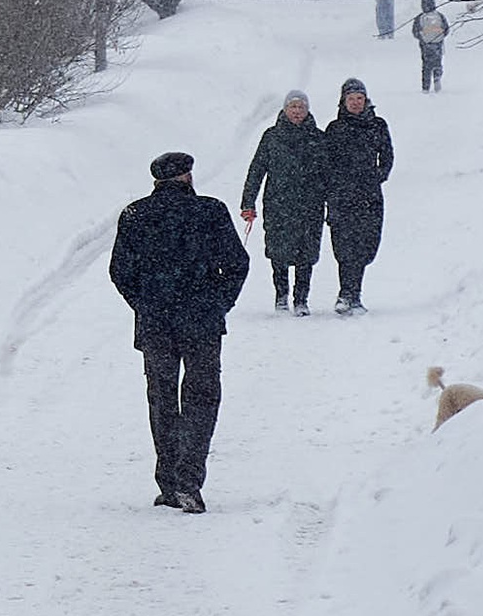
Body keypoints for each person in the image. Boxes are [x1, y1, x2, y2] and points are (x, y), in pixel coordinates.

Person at [108, 150, 251, 514]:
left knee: (162, 398)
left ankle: (168, 481)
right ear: (187, 176)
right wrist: (220, 303)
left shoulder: (135, 215)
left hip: (156, 323)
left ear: (156, 180)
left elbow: (120, 271)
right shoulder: (210, 211)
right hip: (201, 322)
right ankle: (189, 479)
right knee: (202, 398)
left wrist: (143, 302)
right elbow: (237, 264)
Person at [239, 91, 328, 316]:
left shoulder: (318, 137)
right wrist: (248, 201)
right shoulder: (271, 137)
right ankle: (281, 296)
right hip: (278, 205)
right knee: (278, 252)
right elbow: (257, 169)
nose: (297, 111)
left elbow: (328, 174)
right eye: (293, 107)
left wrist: (332, 201)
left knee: (306, 254)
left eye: (301, 107)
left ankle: (301, 299)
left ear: (307, 110)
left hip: (310, 205)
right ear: (285, 110)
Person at [324, 78, 395, 315]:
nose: (355, 103)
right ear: (343, 101)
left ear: (366, 101)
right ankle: (347, 294)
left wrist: (378, 176)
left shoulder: (378, 125)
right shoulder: (335, 129)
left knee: (366, 245)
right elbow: (326, 162)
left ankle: (355, 292)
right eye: (351, 99)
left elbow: (387, 156)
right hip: (342, 196)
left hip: (369, 195)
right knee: (344, 246)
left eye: (359, 99)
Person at [412, 0, 450, 92]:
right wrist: (440, 37)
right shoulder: (440, 16)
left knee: (426, 66)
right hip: (438, 44)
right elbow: (446, 29)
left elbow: (415, 31)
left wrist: (422, 38)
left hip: (425, 45)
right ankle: (437, 77)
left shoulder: (420, 18)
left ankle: (426, 86)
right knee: (437, 63)